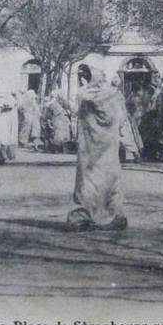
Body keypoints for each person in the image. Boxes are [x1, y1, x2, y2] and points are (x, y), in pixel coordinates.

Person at [67, 67, 128, 230]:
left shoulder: (83, 94)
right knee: (110, 179)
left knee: (88, 181)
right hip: (108, 145)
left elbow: (75, 112)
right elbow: (121, 119)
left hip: (89, 146)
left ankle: (83, 217)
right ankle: (114, 215)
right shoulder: (114, 94)